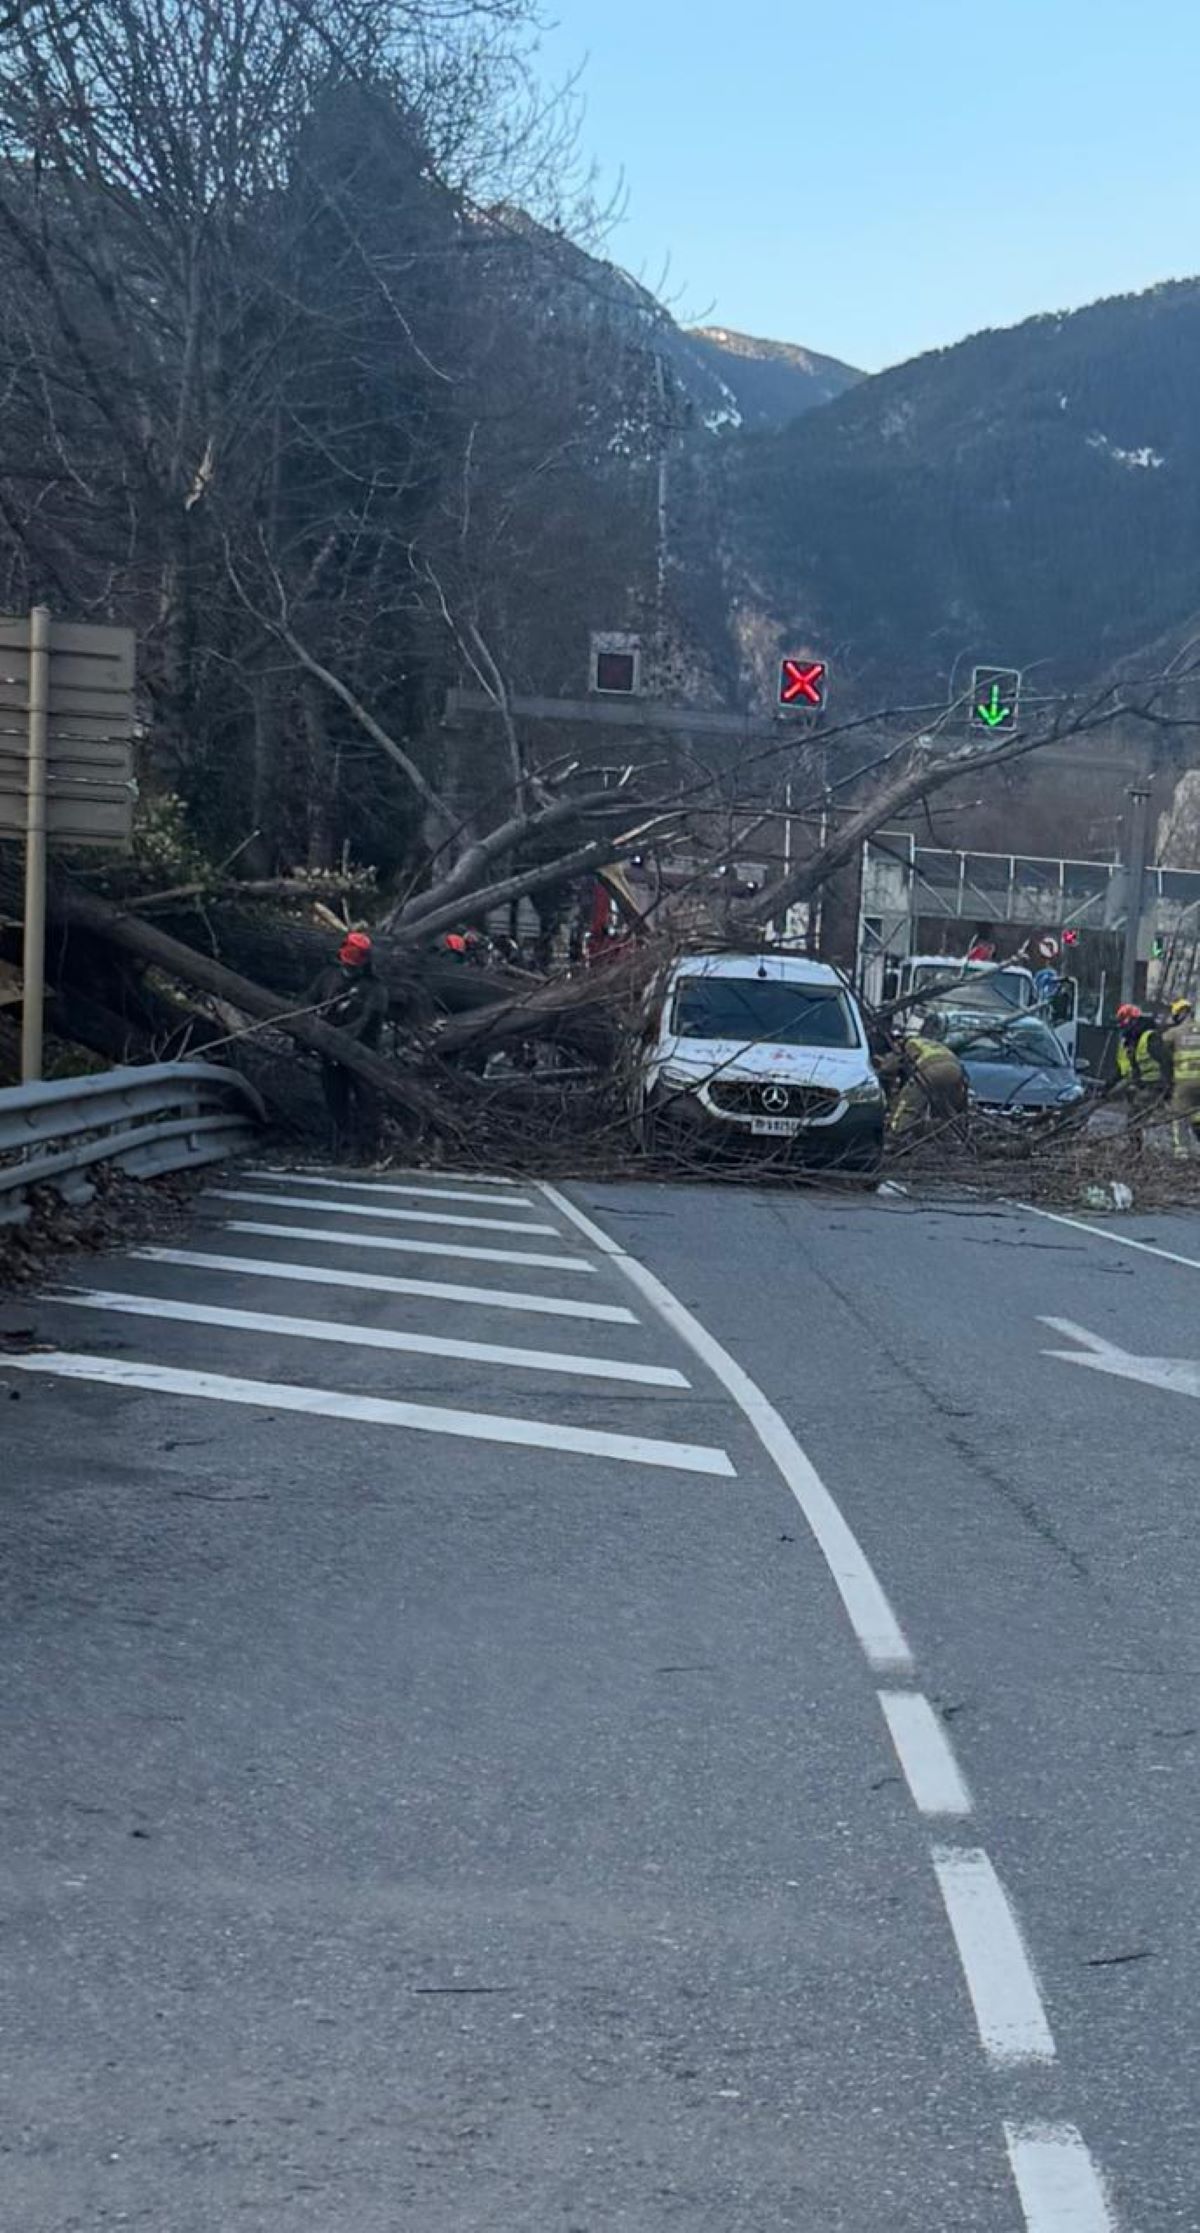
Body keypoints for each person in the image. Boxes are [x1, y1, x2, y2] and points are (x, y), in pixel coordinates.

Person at [308, 931, 389, 1159]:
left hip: (362, 1053)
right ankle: (341, 1143)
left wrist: (332, 1037)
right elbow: (308, 999)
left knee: (366, 1099)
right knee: (335, 1097)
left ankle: (368, 1148)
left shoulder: (375, 989)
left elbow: (362, 1024)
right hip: (330, 1052)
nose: (350, 968)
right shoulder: (328, 977)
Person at [881, 1012, 969, 1140]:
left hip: (932, 1069)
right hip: (955, 1069)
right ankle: (950, 1133)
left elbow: (889, 1066)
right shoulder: (929, 1043)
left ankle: (895, 1134)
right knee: (944, 1105)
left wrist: (883, 1072)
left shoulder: (907, 1044)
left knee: (907, 1101)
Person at [1161, 997, 1200, 1158]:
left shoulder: (1174, 1033)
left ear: (1180, 1013)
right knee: (1197, 1115)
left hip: (1184, 1083)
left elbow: (1159, 1047)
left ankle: (1182, 1152)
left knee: (1179, 1115)